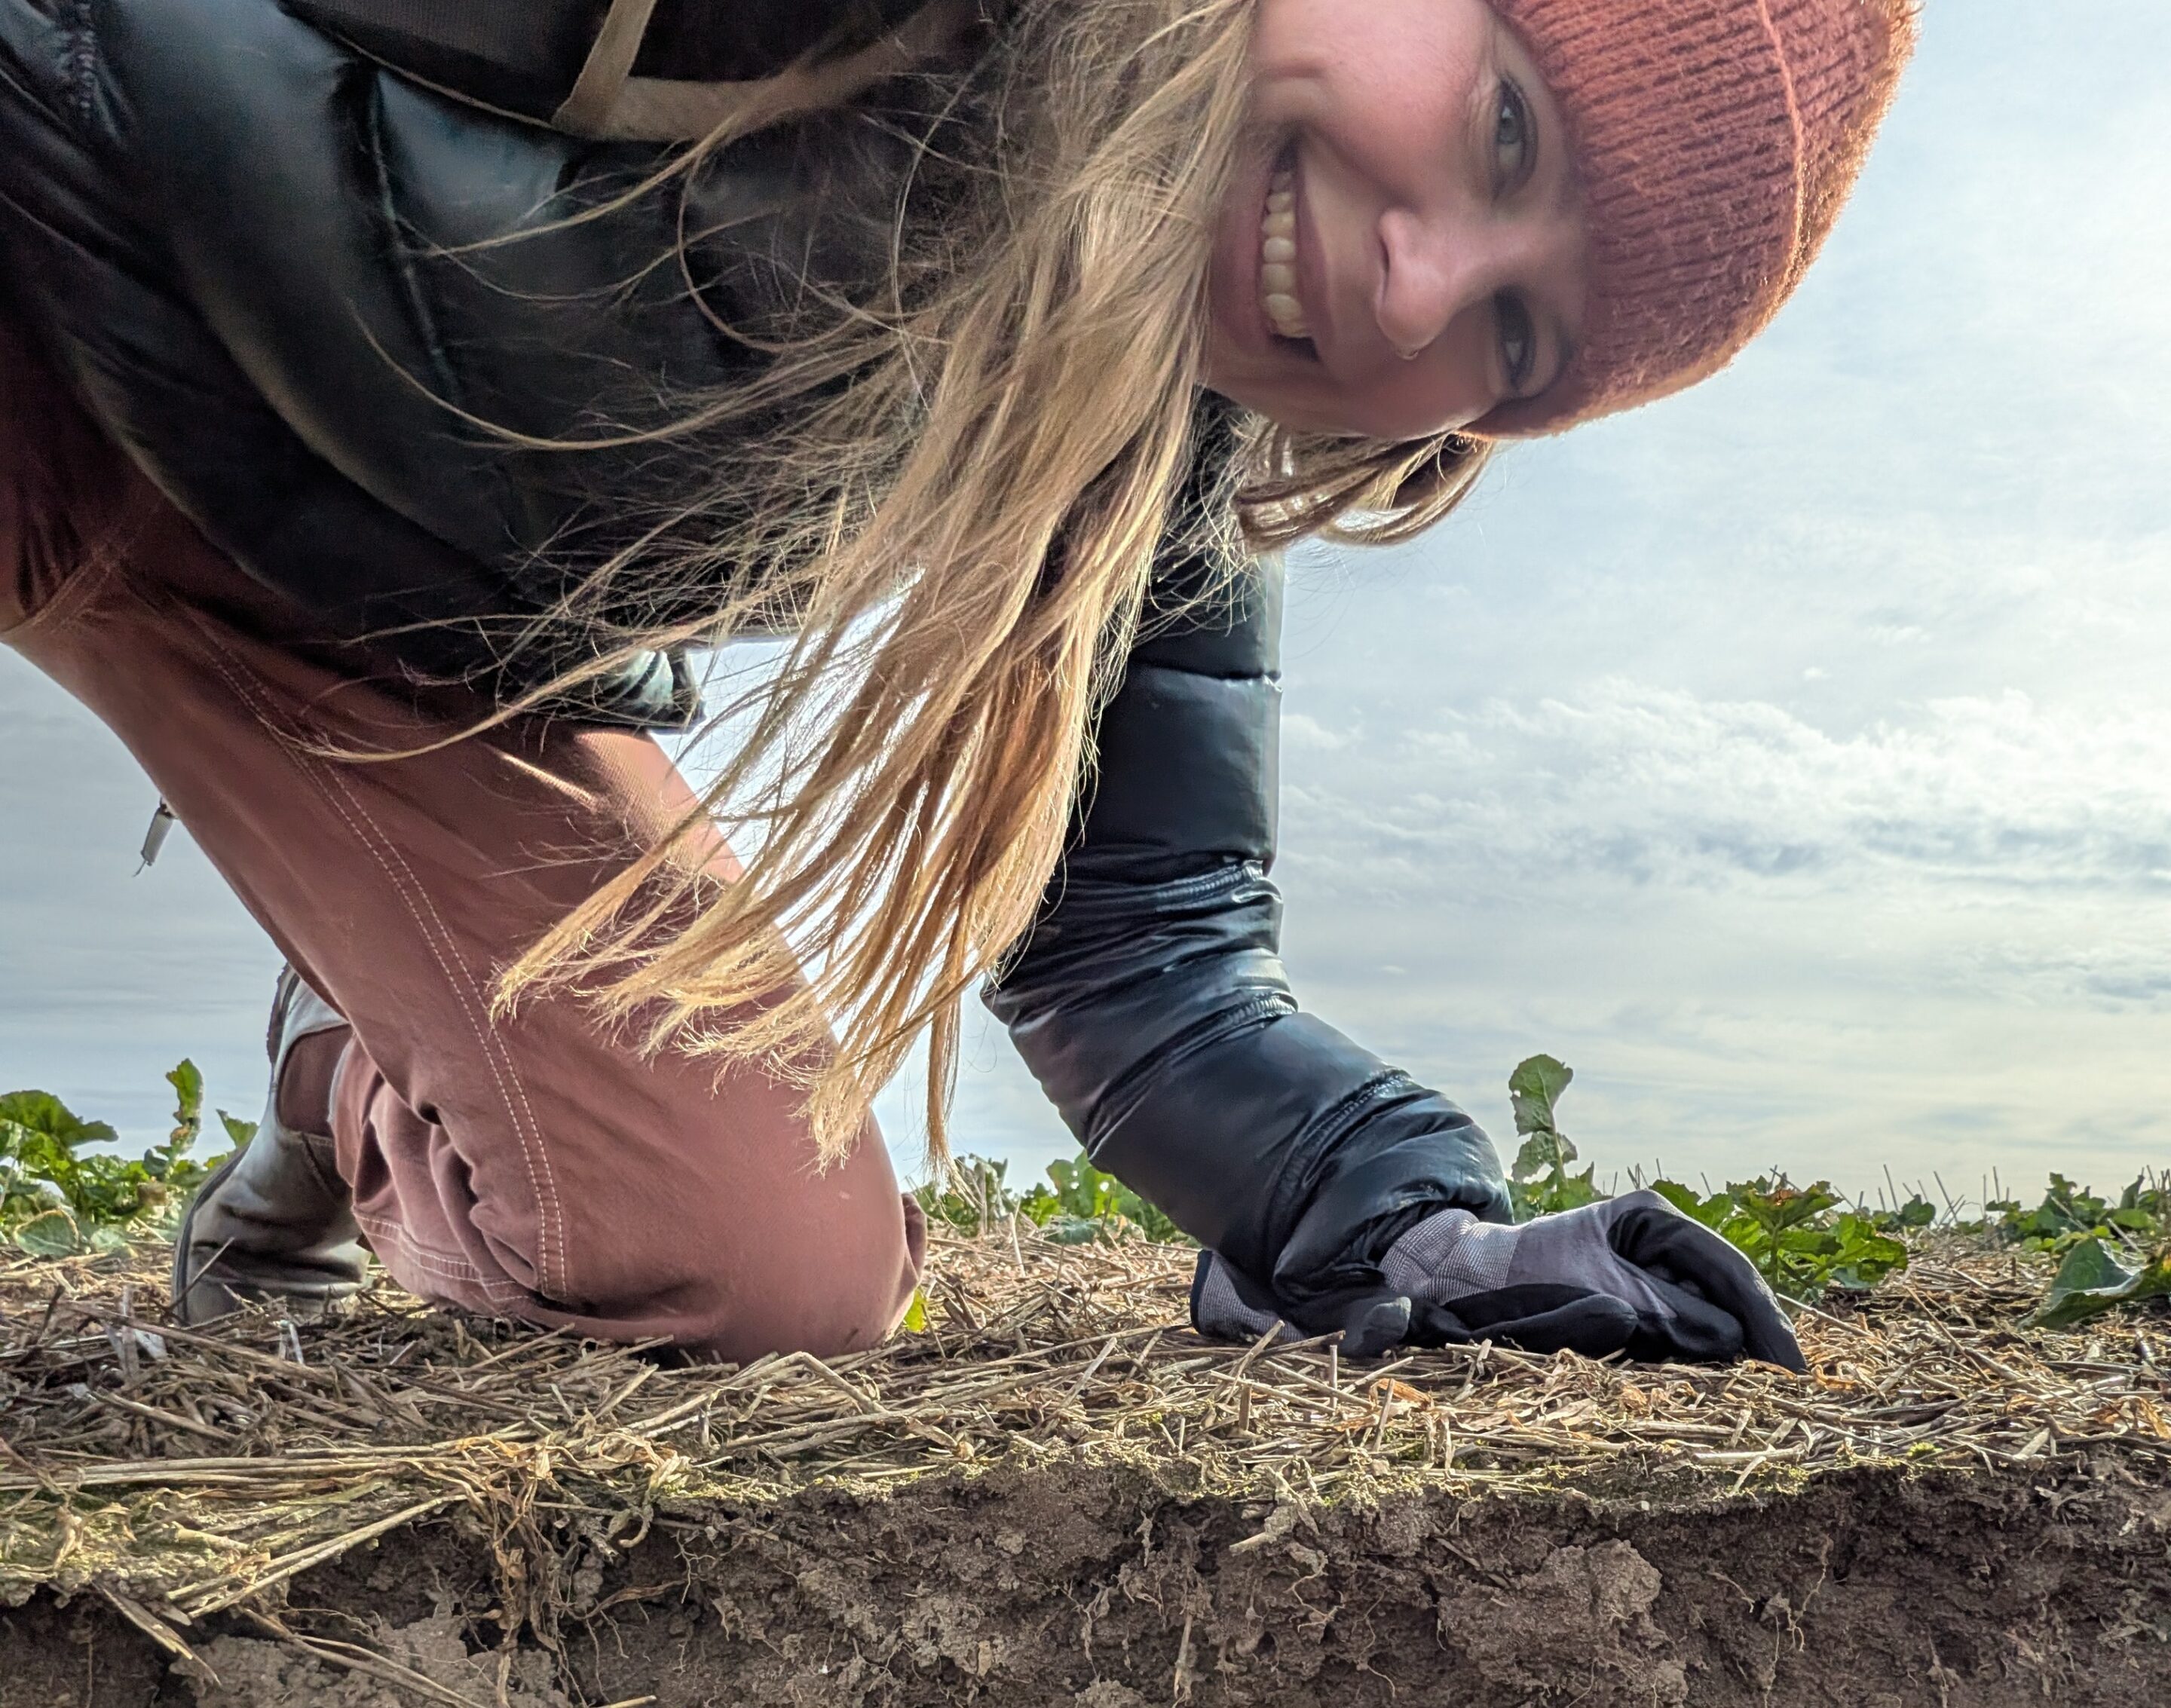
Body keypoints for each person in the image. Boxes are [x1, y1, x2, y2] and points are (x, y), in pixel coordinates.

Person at [0, 0, 1914, 1369]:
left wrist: (1412, 1226)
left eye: (1512, 338)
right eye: (1505, 127)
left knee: (773, 1273)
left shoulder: (1153, 444)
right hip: (59, 238)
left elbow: (1149, 948)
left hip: (361, 624)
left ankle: (342, 1064)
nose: (1416, 297)